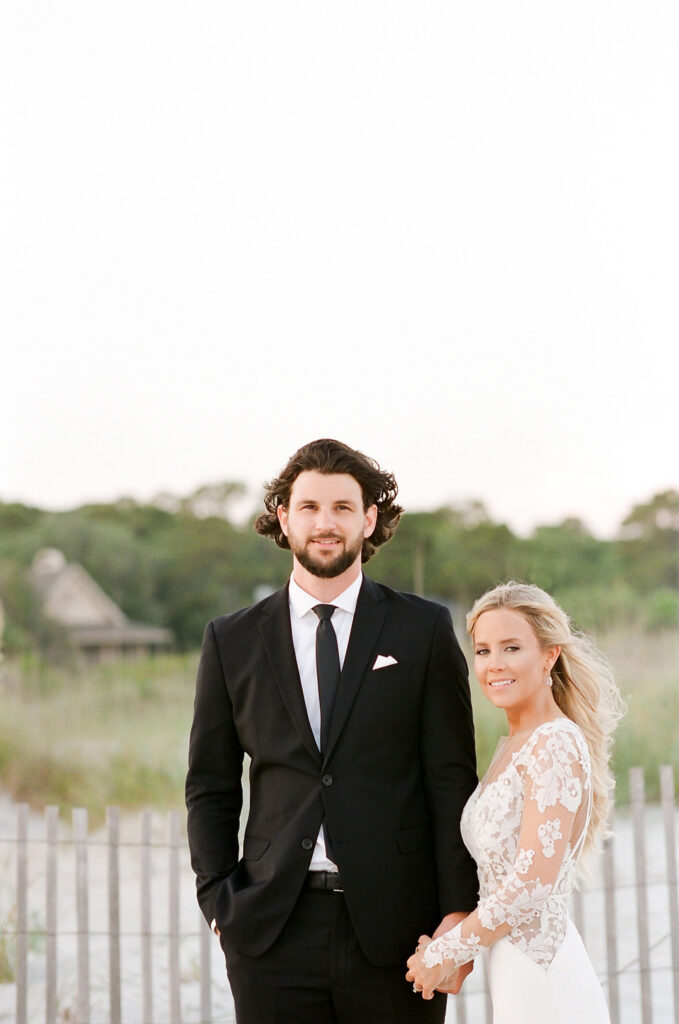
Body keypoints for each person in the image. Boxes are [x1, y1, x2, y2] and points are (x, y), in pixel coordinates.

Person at [185, 438, 479, 1024]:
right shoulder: (231, 639)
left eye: (343, 507)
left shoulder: (422, 630)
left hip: (399, 933)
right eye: (310, 507)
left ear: (369, 519)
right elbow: (211, 783)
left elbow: (450, 779)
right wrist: (219, 903)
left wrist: (456, 914)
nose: (326, 523)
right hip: (270, 931)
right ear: (284, 518)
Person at [406, 581, 624, 1023]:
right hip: (513, 978)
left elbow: (533, 882)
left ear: (549, 655)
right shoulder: (515, 745)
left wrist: (446, 951)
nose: (494, 665)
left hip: (545, 983)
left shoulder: (555, 742)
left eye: (511, 648)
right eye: (483, 651)